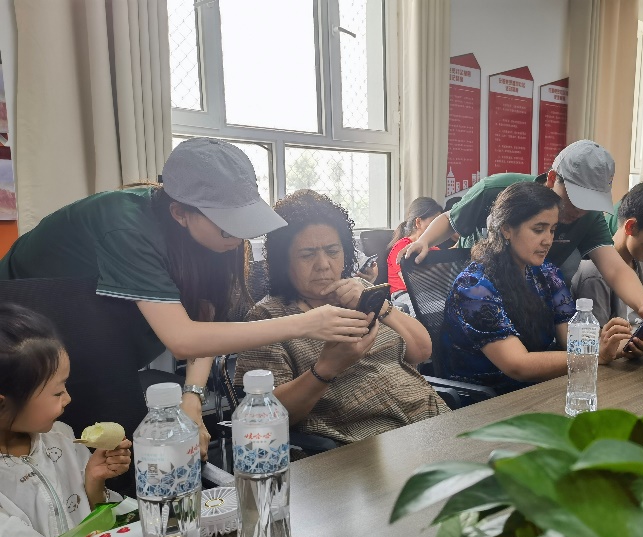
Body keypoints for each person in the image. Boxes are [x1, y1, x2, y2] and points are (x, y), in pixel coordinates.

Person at [0, 138, 369, 466]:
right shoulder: (123, 223)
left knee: (119, 452)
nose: (237, 237)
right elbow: (183, 338)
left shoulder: (213, 237)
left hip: (98, 333)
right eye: (227, 226)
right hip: (29, 324)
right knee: (86, 453)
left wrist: (192, 397)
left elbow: (205, 322)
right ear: (180, 213)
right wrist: (306, 323)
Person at [235, 190, 448, 448]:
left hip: (432, 422)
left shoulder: (360, 290)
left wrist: (380, 305)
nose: (323, 264)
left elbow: (422, 351)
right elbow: (263, 416)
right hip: (368, 445)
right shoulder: (269, 317)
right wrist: (325, 368)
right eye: (307, 254)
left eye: (332, 251)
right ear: (283, 261)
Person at [400, 140, 643, 328]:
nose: (578, 211)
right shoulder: (498, 189)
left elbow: (614, 268)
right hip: (480, 291)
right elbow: (452, 221)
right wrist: (424, 241)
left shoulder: (587, 219)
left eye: (589, 204)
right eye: (573, 199)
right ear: (552, 179)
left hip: (530, 295)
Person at [439, 182, 643, 395]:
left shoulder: (546, 273)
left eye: (552, 230)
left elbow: (571, 338)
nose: (548, 240)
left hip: (537, 389)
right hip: (485, 400)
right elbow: (518, 365)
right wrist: (596, 356)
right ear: (506, 229)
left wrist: (624, 345)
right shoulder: (474, 287)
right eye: (538, 229)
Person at [0, 304, 132, 537]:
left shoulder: (61, 438)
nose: (68, 398)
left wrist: (93, 483)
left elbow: (98, 529)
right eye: (57, 392)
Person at [571, 178, 643, 327]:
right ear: (631, 227)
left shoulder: (641, 260)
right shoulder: (594, 275)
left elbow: (642, 325)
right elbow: (596, 337)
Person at [386, 197, 444, 307]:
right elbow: (412, 283)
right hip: (404, 297)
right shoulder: (402, 247)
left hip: (431, 295)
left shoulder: (433, 248)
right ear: (418, 222)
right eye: (434, 223)